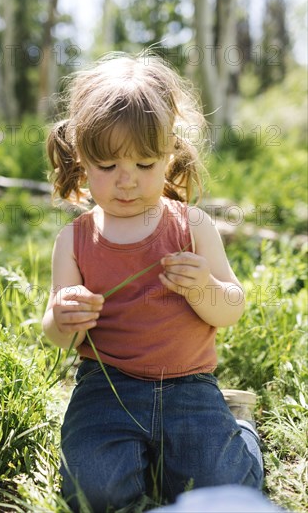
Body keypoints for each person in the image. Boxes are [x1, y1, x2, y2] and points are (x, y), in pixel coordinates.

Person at [42, 52, 263, 513]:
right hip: (108, 386)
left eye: (144, 165)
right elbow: (60, 338)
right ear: (82, 159)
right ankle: (138, 461)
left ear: (169, 155)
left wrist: (203, 287)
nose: (127, 183)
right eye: (107, 167)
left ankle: (239, 430)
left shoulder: (192, 226)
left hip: (189, 385)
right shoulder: (75, 239)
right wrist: (65, 318)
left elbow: (232, 306)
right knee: (93, 491)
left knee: (223, 485)